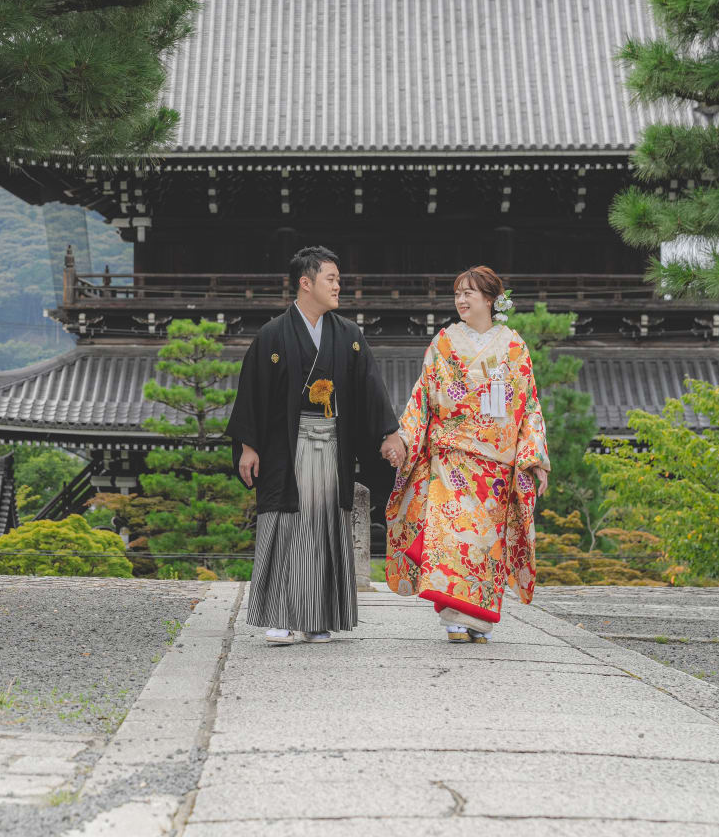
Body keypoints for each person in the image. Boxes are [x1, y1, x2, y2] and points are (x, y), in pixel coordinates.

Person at [227, 246, 404, 645]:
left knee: (325, 527)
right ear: (305, 284)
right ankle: (282, 617)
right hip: (285, 451)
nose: (338, 285)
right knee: (288, 526)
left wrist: (389, 433)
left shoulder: (349, 336)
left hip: (332, 446)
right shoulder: (272, 335)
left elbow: (370, 391)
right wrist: (249, 446)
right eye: (331, 279)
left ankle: (318, 618)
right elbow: (251, 394)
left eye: (338, 279)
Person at [385, 265, 550, 643]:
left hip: (495, 464)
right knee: (451, 536)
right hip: (451, 455)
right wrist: (403, 439)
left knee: (485, 545)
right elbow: (422, 397)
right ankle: (452, 617)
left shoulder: (513, 346)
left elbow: (528, 407)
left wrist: (534, 459)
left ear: (490, 299)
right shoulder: (443, 342)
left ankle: (478, 619)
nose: (461, 300)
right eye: (457, 293)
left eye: (469, 293)